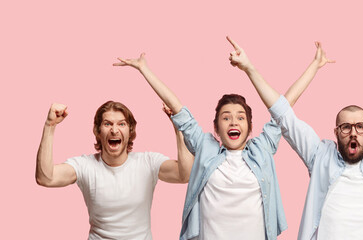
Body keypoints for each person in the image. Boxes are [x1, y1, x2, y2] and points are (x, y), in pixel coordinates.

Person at [115, 37, 333, 240]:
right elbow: (177, 108)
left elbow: (285, 108)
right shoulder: (205, 148)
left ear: (249, 127)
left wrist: (314, 66)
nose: (234, 122)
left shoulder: (262, 149)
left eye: (240, 118)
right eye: (226, 118)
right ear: (216, 128)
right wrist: (144, 69)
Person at [35, 100, 193, 239]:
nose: (114, 130)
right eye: (107, 124)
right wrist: (50, 126)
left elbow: (184, 174)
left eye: (121, 124)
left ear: (130, 131)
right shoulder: (85, 165)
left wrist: (177, 125)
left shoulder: (148, 162)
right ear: (97, 131)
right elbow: (46, 178)